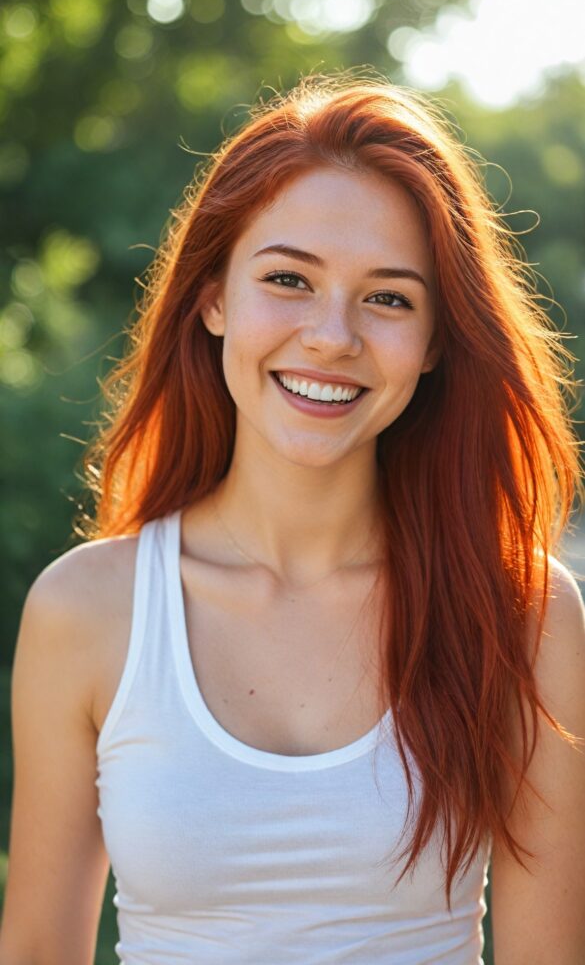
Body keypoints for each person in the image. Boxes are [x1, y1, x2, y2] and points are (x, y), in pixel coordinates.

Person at [1, 71, 584, 965]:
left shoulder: (522, 613)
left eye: (388, 297)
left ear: (434, 341)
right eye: (288, 279)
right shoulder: (85, 611)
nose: (331, 336)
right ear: (213, 297)